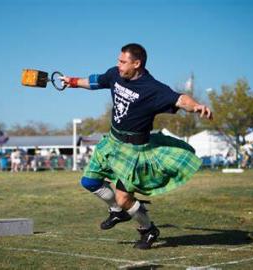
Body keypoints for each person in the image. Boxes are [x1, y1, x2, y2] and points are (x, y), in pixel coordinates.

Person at [60, 43, 213, 249]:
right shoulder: (116, 74)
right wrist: (72, 81)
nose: (118, 65)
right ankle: (117, 211)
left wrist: (196, 106)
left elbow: (179, 99)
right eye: (118, 60)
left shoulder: (153, 88)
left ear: (137, 63)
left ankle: (149, 230)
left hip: (134, 152)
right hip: (111, 143)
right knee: (89, 182)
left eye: (123, 62)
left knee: (124, 198)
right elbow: (96, 81)